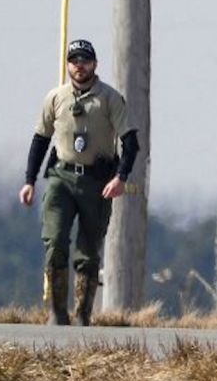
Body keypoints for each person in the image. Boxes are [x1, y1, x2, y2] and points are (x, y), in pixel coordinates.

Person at [18, 39, 139, 326]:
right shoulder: (56, 97)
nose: (79, 65)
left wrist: (120, 178)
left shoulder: (109, 98)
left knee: (88, 251)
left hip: (97, 182)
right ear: (67, 64)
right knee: (55, 241)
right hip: (61, 177)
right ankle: (57, 313)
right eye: (74, 60)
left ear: (94, 64)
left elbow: (131, 142)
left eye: (85, 60)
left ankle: (83, 314)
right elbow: (40, 140)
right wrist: (29, 181)